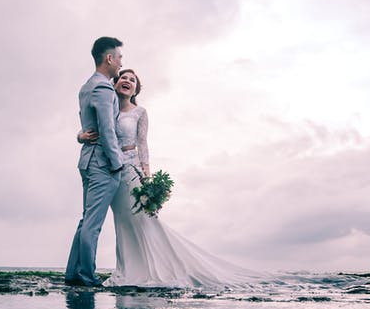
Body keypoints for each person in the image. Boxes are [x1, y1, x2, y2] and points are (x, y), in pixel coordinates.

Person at [78, 69, 261, 287]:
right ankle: (127, 269)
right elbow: (90, 129)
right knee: (122, 223)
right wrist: (80, 135)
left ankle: (156, 270)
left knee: (142, 220)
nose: (127, 81)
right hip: (107, 170)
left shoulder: (140, 113)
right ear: (115, 84)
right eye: (123, 78)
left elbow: (143, 145)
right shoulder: (108, 108)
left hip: (129, 171)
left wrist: (147, 178)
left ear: (136, 89)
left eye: (132, 80)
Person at [65, 37, 126, 287]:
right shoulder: (103, 88)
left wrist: (81, 137)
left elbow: (88, 125)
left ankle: (73, 273)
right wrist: (117, 162)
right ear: (109, 58)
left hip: (88, 161)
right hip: (102, 163)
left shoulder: (86, 86)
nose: (121, 62)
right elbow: (107, 128)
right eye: (120, 57)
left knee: (86, 220)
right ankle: (86, 276)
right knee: (93, 223)